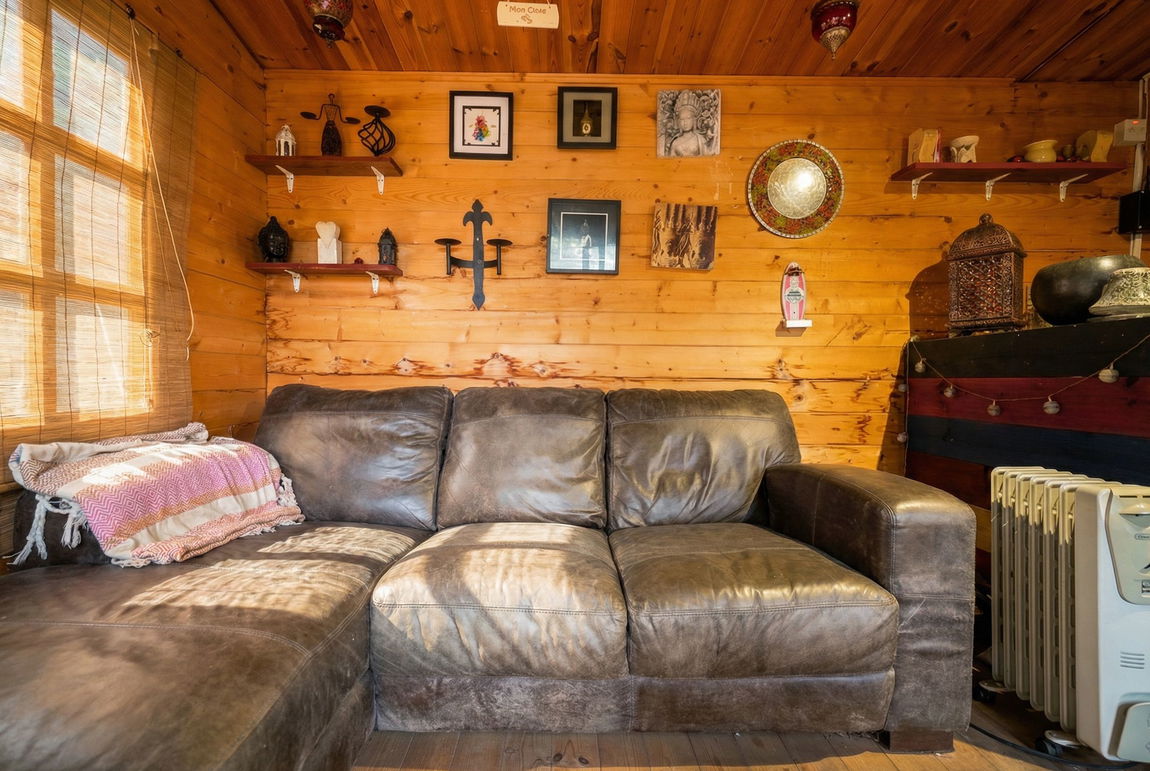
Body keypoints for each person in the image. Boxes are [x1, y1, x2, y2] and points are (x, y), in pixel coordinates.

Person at [667, 91, 709, 157]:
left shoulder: (700, 139)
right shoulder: (675, 142)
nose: (685, 122)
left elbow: (707, 157)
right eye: (682, 119)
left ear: (694, 120)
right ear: (678, 121)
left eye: (688, 118)